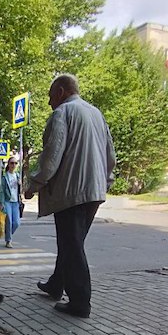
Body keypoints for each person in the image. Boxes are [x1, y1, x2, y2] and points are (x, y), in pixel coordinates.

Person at [24, 74, 116, 319]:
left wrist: (34, 184)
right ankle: (56, 284)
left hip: (71, 192)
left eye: (50, 96)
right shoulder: (96, 114)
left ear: (61, 92)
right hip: (94, 191)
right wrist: (105, 182)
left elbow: (52, 156)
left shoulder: (62, 113)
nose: (49, 102)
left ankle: (80, 302)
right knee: (71, 243)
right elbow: (110, 156)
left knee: (72, 247)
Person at [0, 155, 22, 248]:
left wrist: (20, 184)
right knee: (9, 222)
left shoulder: (17, 175)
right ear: (8, 164)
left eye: (15, 163)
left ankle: (8, 234)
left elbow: (20, 190)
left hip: (16, 202)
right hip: (7, 201)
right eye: (12, 163)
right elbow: (1, 191)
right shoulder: (5, 177)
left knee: (16, 223)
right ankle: (8, 241)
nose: (14, 165)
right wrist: (2, 203)